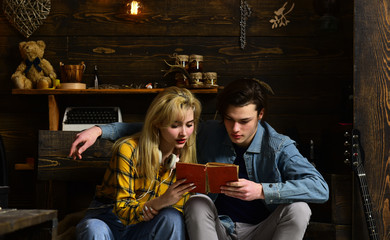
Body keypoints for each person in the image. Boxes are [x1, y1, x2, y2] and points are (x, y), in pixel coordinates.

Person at [70, 79, 329, 240]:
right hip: (218, 229)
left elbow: (320, 188)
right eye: (229, 119)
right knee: (196, 202)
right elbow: (157, 126)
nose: (235, 128)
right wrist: (101, 130)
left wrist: (262, 191)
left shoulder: (279, 145)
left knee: (300, 208)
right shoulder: (206, 131)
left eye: (244, 121)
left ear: (261, 115)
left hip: (262, 229)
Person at [76, 86, 201, 240]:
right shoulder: (128, 150)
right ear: (157, 123)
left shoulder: (187, 159)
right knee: (94, 228)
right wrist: (161, 201)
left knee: (172, 217)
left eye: (189, 125)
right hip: (109, 220)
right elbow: (122, 210)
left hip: (144, 225)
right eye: (174, 125)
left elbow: (179, 216)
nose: (183, 133)